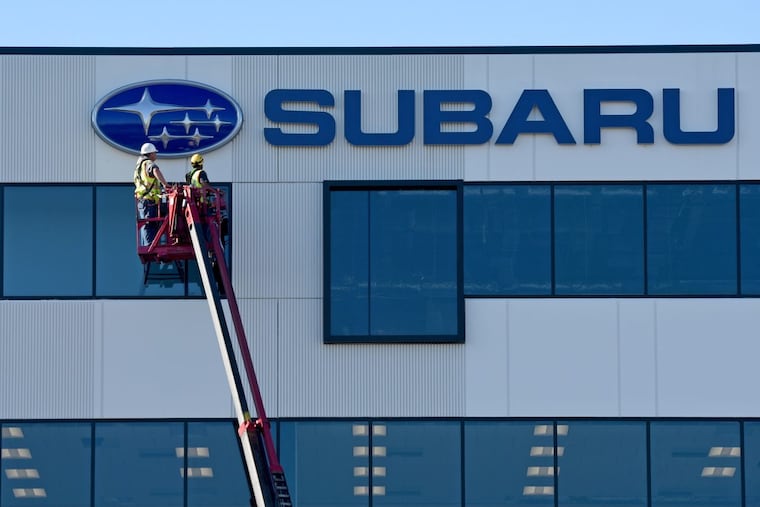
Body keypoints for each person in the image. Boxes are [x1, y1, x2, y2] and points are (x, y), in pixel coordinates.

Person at [134, 142, 169, 246]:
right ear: (150, 153)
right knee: (150, 223)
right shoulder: (148, 163)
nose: (156, 155)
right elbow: (155, 170)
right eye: (154, 153)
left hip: (144, 200)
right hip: (149, 201)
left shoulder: (138, 167)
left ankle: (151, 243)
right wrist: (165, 184)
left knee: (150, 223)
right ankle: (151, 245)